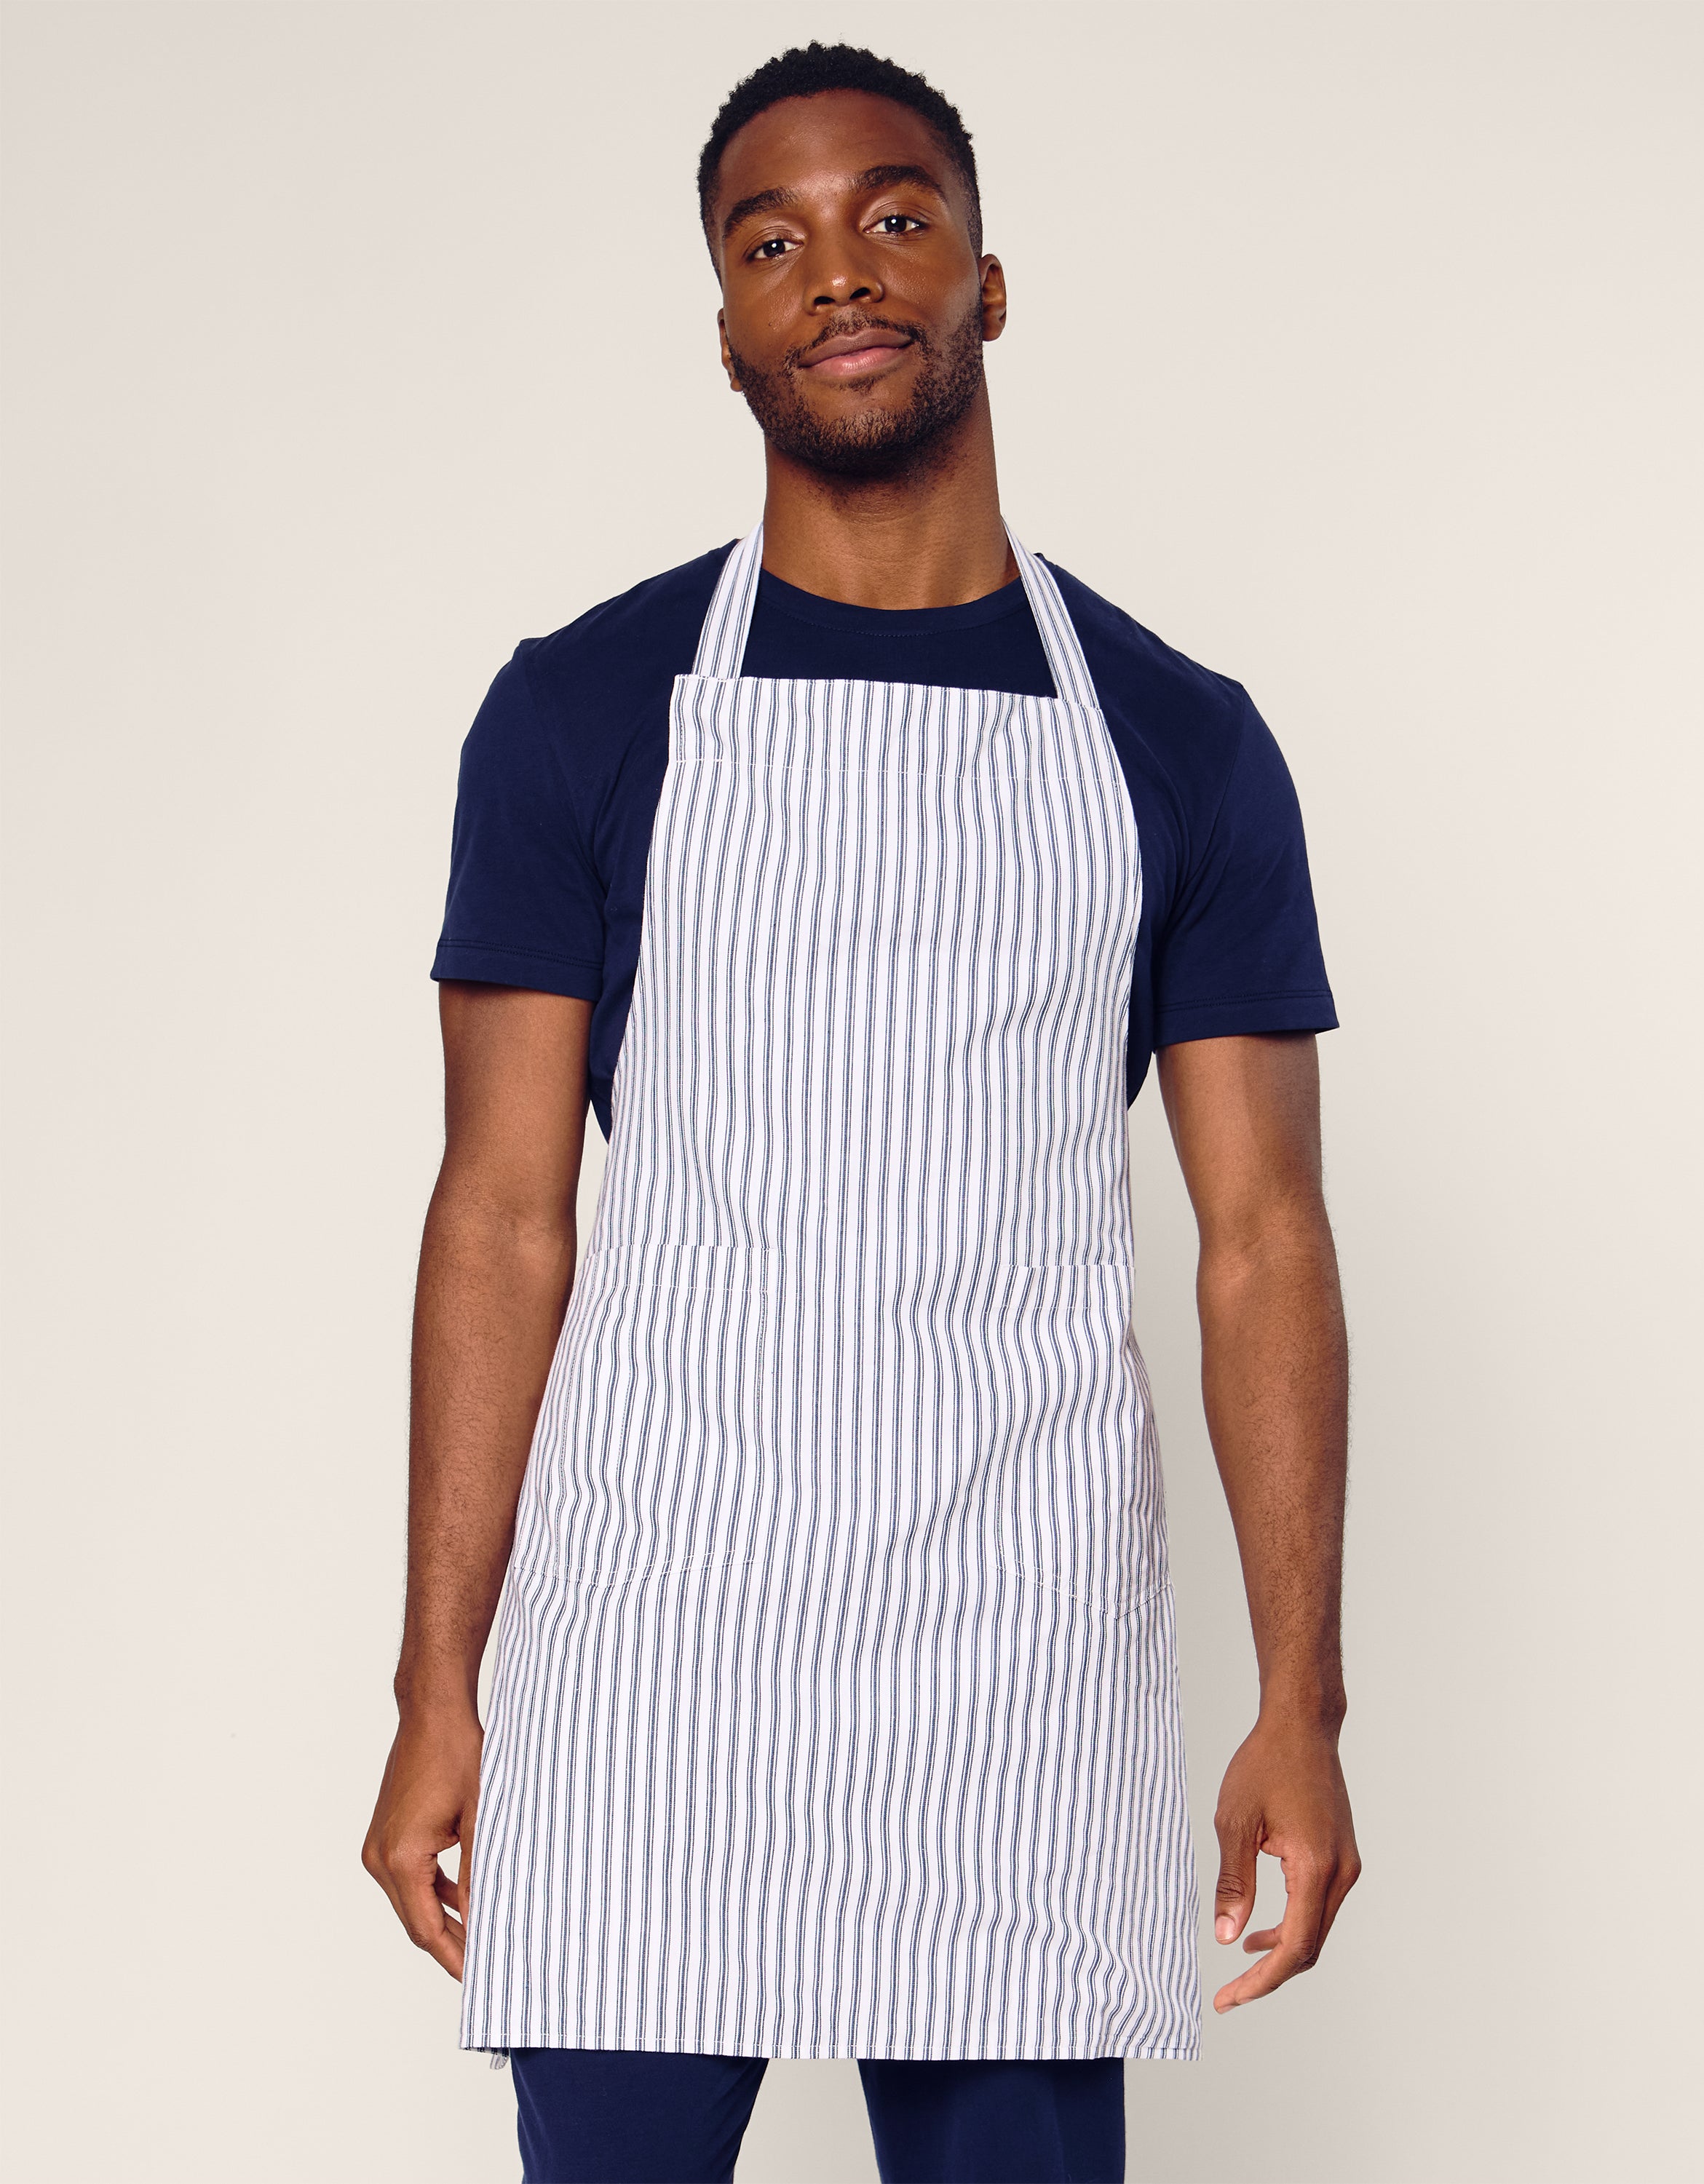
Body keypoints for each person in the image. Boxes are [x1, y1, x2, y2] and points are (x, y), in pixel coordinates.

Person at [362, 40, 1360, 2184]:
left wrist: (1305, 1700)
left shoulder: (1181, 743)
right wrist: (435, 1685)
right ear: (723, 319)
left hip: (1016, 1651)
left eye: (895, 214)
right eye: (771, 238)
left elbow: (1263, 1231)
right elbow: (503, 1215)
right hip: (653, 1646)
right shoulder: (578, 711)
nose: (839, 271)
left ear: (990, 280)